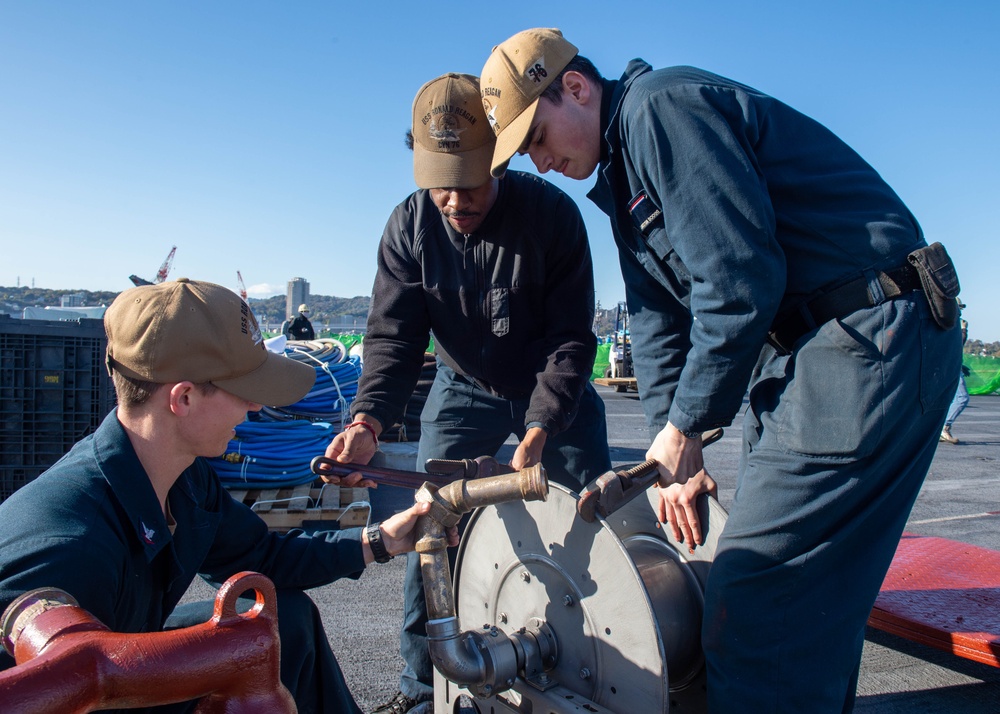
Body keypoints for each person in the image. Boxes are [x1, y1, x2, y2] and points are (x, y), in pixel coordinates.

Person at [480, 28, 962, 713]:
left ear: (577, 88)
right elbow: (654, 321)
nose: (539, 162)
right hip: (812, 356)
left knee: (758, 604)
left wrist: (688, 426)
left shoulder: (659, 110)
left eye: (534, 137)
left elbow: (739, 281)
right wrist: (674, 447)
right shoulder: (624, 173)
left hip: (864, 341)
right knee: (805, 613)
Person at [0, 278, 456, 714]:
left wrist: (383, 541)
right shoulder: (70, 543)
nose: (256, 406)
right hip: (89, 695)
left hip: (118, 671)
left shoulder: (183, 479)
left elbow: (261, 557)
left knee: (284, 624)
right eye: (245, 390)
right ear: (183, 399)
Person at [322, 72, 611, 714]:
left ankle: (609, 668)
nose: (454, 200)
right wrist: (368, 419)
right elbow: (393, 341)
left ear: (501, 159)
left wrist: (539, 427)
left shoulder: (553, 217)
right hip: (463, 386)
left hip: (551, 387)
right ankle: (420, 692)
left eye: (469, 180)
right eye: (439, 184)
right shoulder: (409, 226)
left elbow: (571, 341)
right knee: (432, 528)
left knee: (595, 519)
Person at [941, 305, 971, 444]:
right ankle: (944, 427)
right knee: (962, 397)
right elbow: (957, 343)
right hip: (948, 365)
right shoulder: (949, 320)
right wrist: (964, 330)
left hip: (946, 365)